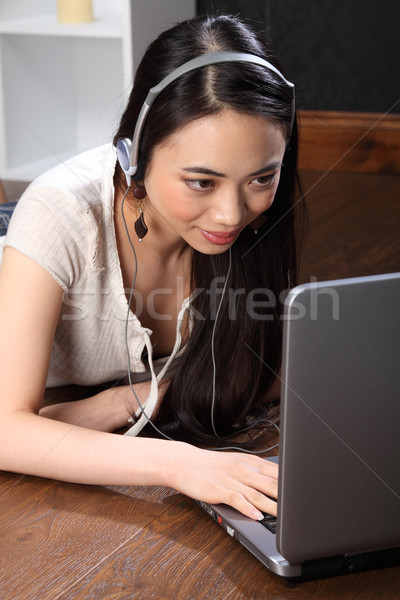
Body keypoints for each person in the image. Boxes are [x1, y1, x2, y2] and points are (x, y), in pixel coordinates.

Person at [0, 15, 302, 521]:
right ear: (133, 155)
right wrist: (178, 463)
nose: (231, 214)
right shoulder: (58, 213)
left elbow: (268, 366)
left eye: (260, 178)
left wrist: (138, 397)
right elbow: (6, 430)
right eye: (201, 182)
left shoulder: (252, 216)